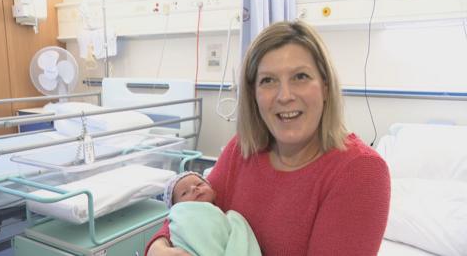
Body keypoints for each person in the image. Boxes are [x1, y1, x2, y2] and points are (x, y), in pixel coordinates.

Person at [146, 20, 390, 256]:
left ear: (325, 86)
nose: (284, 96)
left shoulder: (360, 171)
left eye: (300, 76)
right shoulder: (242, 149)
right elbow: (192, 212)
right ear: (254, 94)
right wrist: (159, 245)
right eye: (268, 80)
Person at [160, 171, 261, 256]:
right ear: (176, 206)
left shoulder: (230, 219)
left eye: (199, 184)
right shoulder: (180, 216)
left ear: (214, 192)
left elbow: (240, 240)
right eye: (184, 193)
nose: (194, 188)